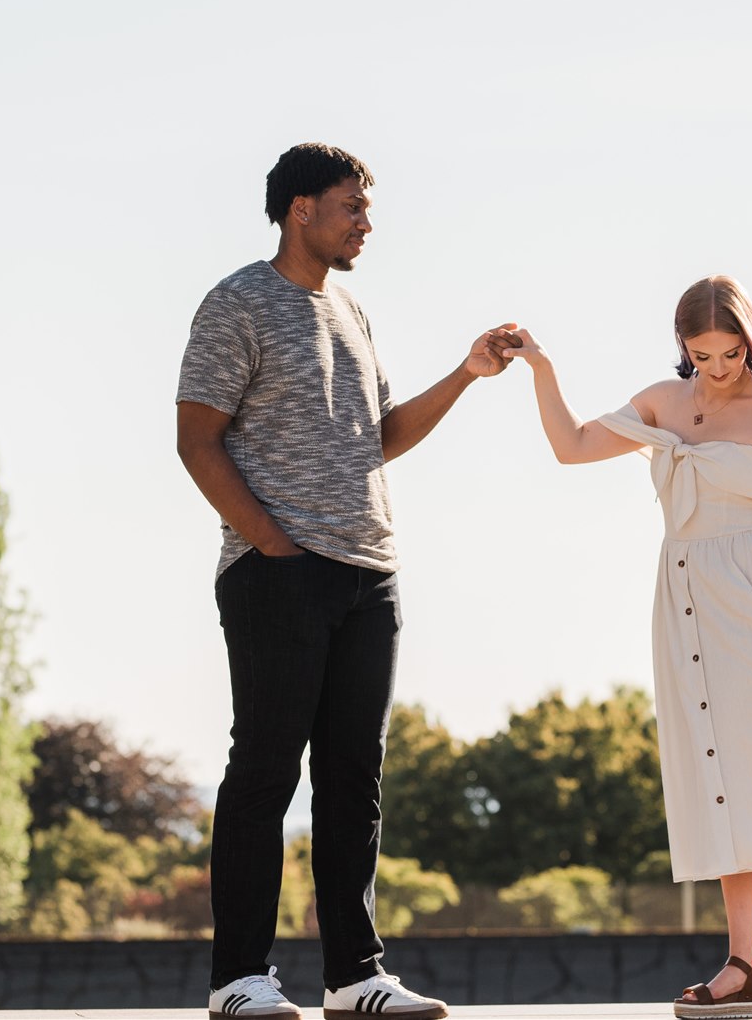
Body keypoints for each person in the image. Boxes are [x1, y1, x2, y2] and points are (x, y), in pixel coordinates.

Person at [176, 143, 517, 1020]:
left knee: (354, 778)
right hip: (278, 575)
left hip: (370, 573)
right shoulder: (238, 301)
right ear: (299, 208)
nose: (366, 221)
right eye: (351, 206)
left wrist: (468, 373)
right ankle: (237, 979)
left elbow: (379, 435)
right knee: (263, 771)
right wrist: (273, 544)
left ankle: (354, 975)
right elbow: (197, 440)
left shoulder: (352, 310)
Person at [503, 276, 752, 1020]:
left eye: (731, 351)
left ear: (751, 340)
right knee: (713, 773)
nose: (717, 367)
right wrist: (543, 369)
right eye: (702, 353)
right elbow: (572, 446)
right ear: (682, 346)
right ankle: (746, 959)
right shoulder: (661, 402)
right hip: (681, 598)